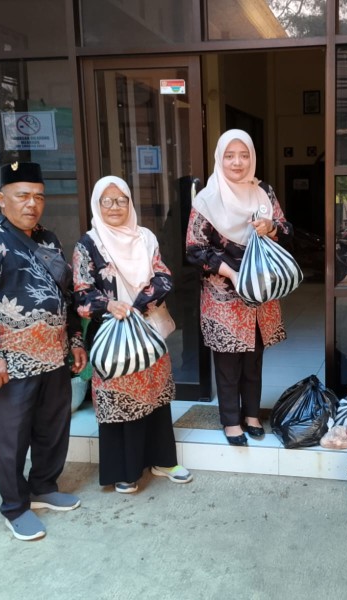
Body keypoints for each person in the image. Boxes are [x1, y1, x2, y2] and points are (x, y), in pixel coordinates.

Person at [0, 161, 88, 541]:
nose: (32, 204)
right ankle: (15, 507)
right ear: (2, 199)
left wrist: (75, 340)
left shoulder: (48, 239)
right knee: (11, 439)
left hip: (53, 356)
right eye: (23, 196)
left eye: (39, 196)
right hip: (9, 362)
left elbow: (66, 294)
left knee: (53, 429)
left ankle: (44, 487)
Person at [73, 175, 192, 493]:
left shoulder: (145, 237)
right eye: (107, 201)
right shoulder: (88, 244)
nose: (115, 206)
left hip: (148, 330)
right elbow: (82, 293)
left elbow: (163, 276)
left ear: (130, 202)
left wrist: (137, 305)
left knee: (155, 396)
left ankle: (163, 460)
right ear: (97, 205)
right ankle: (125, 471)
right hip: (111, 337)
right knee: (119, 400)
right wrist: (110, 305)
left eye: (121, 200)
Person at [185, 129, 292, 446]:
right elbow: (194, 249)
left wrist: (271, 227)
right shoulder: (207, 199)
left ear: (252, 158)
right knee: (228, 361)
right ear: (220, 158)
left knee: (254, 357)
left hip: (259, 292)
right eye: (230, 155)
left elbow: (287, 230)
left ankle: (252, 415)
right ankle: (231, 420)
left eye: (244, 155)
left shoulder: (263, 192)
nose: (237, 162)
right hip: (224, 295)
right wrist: (231, 272)